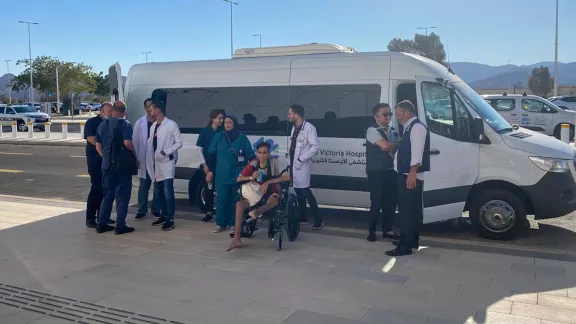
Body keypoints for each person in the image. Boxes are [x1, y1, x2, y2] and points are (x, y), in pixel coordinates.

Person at [227, 142, 291, 251]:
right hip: (256, 194)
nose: (262, 155)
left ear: (269, 153)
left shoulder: (274, 163)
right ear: (257, 153)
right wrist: (250, 177)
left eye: (265, 153)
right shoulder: (253, 164)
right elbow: (239, 179)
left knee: (274, 201)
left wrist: (269, 181)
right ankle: (237, 238)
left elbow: (287, 177)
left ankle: (257, 212)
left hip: (271, 191)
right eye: (260, 153)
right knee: (239, 205)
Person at [386, 100, 430, 257]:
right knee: (412, 211)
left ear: (406, 113)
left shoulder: (416, 127)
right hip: (407, 174)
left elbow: (417, 153)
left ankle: (405, 246)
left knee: (407, 212)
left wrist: (412, 173)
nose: (396, 117)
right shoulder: (409, 127)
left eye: (398, 114)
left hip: (410, 176)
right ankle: (411, 240)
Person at [206, 116, 254, 233]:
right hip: (222, 175)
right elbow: (211, 155)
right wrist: (210, 170)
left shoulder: (242, 138)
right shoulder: (219, 136)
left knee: (235, 200)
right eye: (225, 122)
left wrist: (253, 165)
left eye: (230, 122)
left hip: (237, 175)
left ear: (235, 123)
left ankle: (233, 223)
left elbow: (250, 155)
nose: (227, 124)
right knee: (221, 200)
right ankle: (220, 223)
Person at [95, 101, 136, 235]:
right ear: (124, 112)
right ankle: (120, 225)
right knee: (122, 195)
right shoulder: (125, 124)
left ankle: (101, 223)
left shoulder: (103, 124)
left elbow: (98, 146)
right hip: (121, 166)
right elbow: (127, 143)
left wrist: (105, 158)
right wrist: (134, 152)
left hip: (106, 166)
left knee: (107, 195)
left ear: (112, 111)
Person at [146, 101, 183, 231]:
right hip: (156, 163)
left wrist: (166, 151)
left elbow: (179, 142)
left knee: (168, 191)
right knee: (158, 191)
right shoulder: (153, 126)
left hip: (167, 162)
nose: (150, 112)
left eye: (151, 110)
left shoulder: (171, 125)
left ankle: (170, 219)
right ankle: (163, 214)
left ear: (158, 110)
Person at [365, 103, 400, 242]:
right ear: (376, 117)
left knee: (391, 202)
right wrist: (395, 144)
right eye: (385, 114)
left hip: (391, 170)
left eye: (390, 114)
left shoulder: (393, 130)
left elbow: (398, 145)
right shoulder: (372, 130)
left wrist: (395, 145)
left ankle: (388, 230)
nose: (389, 117)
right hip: (376, 171)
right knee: (377, 201)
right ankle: (372, 231)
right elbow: (385, 147)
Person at [287, 104, 323, 230]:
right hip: (294, 164)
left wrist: (301, 158)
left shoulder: (309, 128)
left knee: (306, 192)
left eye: (290, 113)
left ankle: (318, 220)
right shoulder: (295, 128)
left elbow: (315, 146)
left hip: (302, 164)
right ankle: (303, 218)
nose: (288, 116)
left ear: (297, 114)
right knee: (298, 192)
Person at [84, 102, 113, 228]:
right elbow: (91, 139)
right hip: (95, 161)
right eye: (109, 111)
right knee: (96, 188)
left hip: (107, 161)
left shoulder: (110, 123)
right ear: (102, 111)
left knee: (105, 189)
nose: (111, 113)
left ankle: (103, 215)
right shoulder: (92, 122)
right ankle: (90, 217)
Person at [133, 98, 161, 221]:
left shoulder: (161, 122)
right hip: (144, 158)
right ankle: (141, 210)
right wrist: (136, 158)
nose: (150, 108)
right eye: (148, 106)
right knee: (144, 186)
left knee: (158, 186)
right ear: (145, 108)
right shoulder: (140, 123)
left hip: (158, 159)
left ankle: (155, 209)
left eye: (152, 106)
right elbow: (135, 142)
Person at [196, 109, 225, 222]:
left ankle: (222, 213)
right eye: (219, 118)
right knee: (208, 189)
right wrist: (205, 165)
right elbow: (199, 149)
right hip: (207, 164)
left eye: (222, 118)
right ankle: (208, 212)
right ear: (213, 119)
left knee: (221, 189)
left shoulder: (222, 132)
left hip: (220, 164)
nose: (221, 121)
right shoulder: (205, 131)